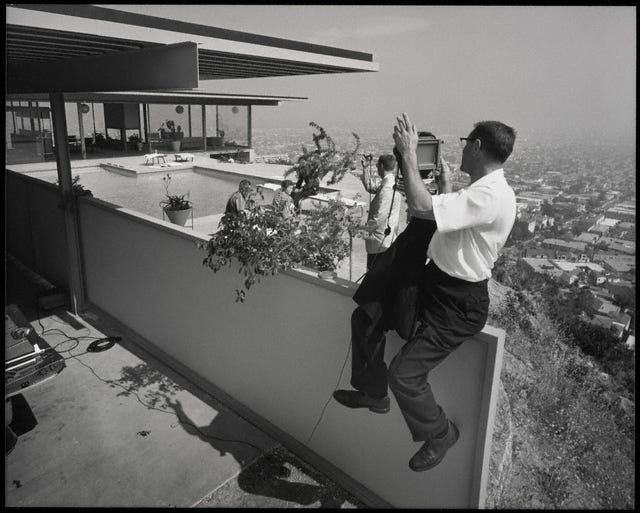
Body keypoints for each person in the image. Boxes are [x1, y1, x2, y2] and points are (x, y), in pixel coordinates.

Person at [333, 114, 517, 472]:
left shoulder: (491, 195)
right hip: (436, 286)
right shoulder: (482, 191)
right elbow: (451, 227)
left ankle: (440, 433)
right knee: (367, 315)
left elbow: (420, 206)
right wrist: (446, 187)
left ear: (477, 146)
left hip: (459, 304)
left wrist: (408, 154)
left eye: (466, 142)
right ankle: (373, 392)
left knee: (404, 375)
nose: (461, 148)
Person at [360, 154, 402, 270]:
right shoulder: (389, 183)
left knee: (374, 276)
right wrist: (365, 168)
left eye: (378, 166)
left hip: (380, 242)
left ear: (381, 166)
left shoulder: (387, 189)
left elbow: (379, 217)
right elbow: (371, 187)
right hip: (384, 240)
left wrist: (362, 230)